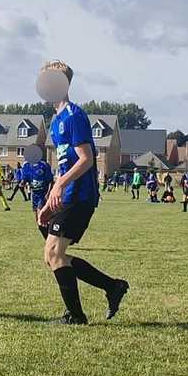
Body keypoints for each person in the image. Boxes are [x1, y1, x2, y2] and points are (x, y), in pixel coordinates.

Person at [35, 60, 128, 325]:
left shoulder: (75, 116)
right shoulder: (57, 119)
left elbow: (86, 159)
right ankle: (112, 287)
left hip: (80, 195)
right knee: (53, 256)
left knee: (54, 254)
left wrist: (60, 185)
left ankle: (77, 316)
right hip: (67, 194)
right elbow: (64, 162)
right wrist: (50, 200)